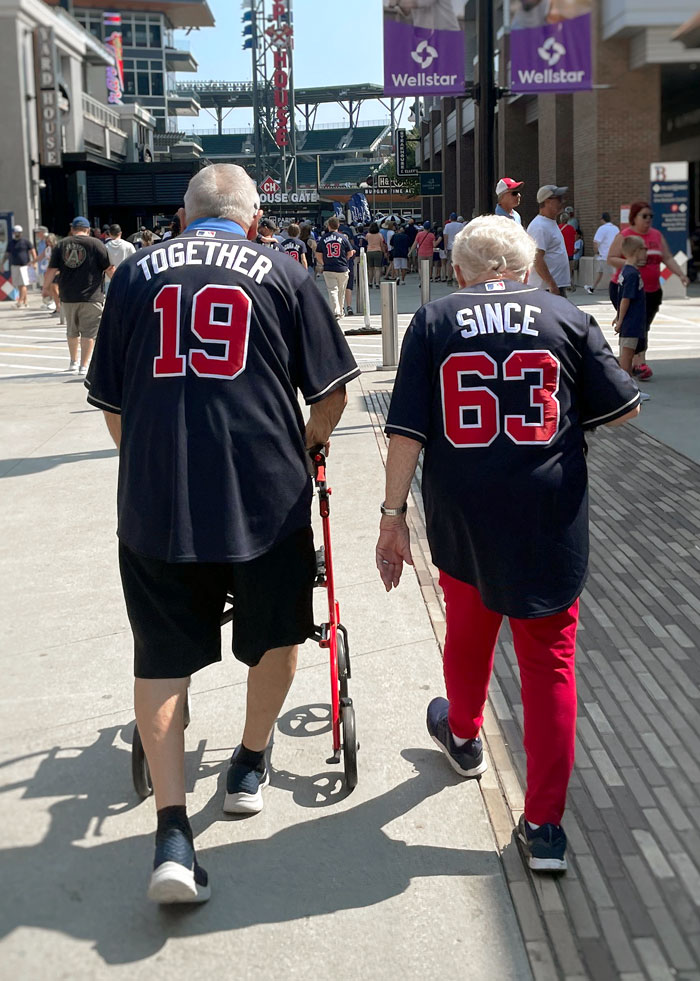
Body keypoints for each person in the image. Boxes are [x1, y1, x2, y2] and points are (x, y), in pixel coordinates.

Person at [85, 163, 360, 905]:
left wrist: (146, 458)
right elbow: (332, 392)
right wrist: (301, 448)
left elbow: (112, 403)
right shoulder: (285, 270)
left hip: (157, 498)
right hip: (264, 494)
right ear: (255, 219)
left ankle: (172, 835)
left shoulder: (136, 272)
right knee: (276, 634)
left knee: (162, 657)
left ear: (182, 217)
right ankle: (247, 761)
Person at [375, 215, 641, 873]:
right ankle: (545, 827)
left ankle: (463, 732)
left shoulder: (434, 322)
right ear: (523, 270)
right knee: (550, 658)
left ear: (459, 272)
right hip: (547, 505)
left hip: (463, 506)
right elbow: (625, 406)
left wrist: (390, 515)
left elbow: (405, 429)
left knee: (469, 626)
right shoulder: (566, 316)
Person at [606, 201, 689, 379]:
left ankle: (635, 363)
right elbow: (611, 258)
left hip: (651, 290)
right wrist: (631, 263)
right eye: (644, 216)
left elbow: (667, 257)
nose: (648, 220)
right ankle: (636, 365)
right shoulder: (625, 236)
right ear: (634, 218)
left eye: (651, 216)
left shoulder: (656, 235)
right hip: (628, 289)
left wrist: (681, 275)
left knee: (644, 326)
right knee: (634, 325)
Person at [42, 217, 113, 374]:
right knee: (89, 333)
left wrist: (45, 288)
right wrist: (119, 285)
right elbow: (109, 269)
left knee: (72, 330)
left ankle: (73, 361)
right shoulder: (96, 244)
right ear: (88, 230)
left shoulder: (61, 245)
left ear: (73, 229)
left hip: (68, 296)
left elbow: (51, 270)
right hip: (92, 296)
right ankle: (83, 365)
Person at [613, 236, 650, 402]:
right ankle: (627, 393)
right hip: (631, 323)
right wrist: (620, 320)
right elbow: (626, 299)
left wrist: (618, 316)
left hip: (632, 322)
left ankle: (629, 391)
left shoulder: (627, 271)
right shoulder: (632, 274)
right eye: (644, 249)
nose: (646, 252)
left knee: (627, 357)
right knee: (626, 359)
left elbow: (622, 298)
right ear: (636, 252)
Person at [527, 186, 571, 296]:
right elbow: (537, 258)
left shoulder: (550, 222)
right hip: (546, 289)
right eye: (559, 199)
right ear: (547, 201)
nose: (562, 202)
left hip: (554, 286)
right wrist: (551, 283)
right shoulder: (539, 226)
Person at [317, 215, 355, 321]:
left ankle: (336, 311)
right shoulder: (343, 237)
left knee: (332, 290)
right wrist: (345, 259)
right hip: (342, 267)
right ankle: (341, 311)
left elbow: (318, 254)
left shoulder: (324, 238)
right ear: (338, 226)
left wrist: (324, 262)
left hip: (329, 268)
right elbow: (350, 252)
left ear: (328, 226)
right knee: (341, 291)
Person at [584, 212, 620, 294]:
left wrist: (596, 252)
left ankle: (618, 290)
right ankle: (592, 288)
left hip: (604, 255)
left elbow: (596, 242)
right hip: (615, 255)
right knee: (600, 272)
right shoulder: (616, 228)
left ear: (602, 219)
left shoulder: (602, 229)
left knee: (611, 274)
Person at [3, 225, 37, 308]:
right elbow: (7, 254)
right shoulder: (11, 243)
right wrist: (2, 264)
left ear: (20, 233)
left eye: (18, 232)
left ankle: (20, 302)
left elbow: (33, 251)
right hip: (15, 266)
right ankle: (25, 302)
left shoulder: (25, 241)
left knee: (23, 284)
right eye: (15, 232)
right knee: (19, 284)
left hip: (24, 266)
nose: (17, 233)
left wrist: (34, 262)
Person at [105, 225, 136, 294]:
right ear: (120, 233)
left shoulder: (105, 247)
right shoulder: (129, 245)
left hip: (109, 279)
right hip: (125, 278)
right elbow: (135, 261)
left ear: (109, 234)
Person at [558, 212, 577, 291]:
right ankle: (570, 283)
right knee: (570, 269)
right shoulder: (571, 228)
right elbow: (575, 238)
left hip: (561, 252)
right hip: (570, 251)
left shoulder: (558, 228)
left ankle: (563, 284)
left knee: (561, 269)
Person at [443, 213, 464, 283]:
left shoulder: (447, 226)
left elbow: (445, 237)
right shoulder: (461, 225)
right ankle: (457, 277)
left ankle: (449, 277)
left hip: (450, 247)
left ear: (450, 218)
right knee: (458, 263)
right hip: (458, 246)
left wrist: (445, 247)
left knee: (449, 262)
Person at [365, 221, 386, 288]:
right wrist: (384, 252)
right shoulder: (379, 235)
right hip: (378, 251)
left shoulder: (368, 235)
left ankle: (370, 282)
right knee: (377, 268)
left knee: (370, 269)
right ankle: (377, 283)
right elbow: (382, 245)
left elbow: (366, 242)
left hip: (369, 251)